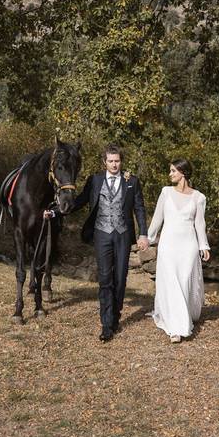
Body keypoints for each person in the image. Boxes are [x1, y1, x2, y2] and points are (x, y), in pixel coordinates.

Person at [65, 144, 149, 341]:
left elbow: (139, 208)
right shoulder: (95, 180)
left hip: (123, 235)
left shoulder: (132, 182)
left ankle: (115, 316)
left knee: (120, 278)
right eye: (110, 161)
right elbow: (80, 201)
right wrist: (56, 210)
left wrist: (143, 233)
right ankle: (106, 324)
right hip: (102, 234)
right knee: (105, 279)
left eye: (117, 161)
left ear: (121, 161)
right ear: (104, 162)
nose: (114, 164)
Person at [146, 158, 210, 343]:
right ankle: (176, 328)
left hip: (188, 246)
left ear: (183, 172)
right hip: (168, 245)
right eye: (171, 171)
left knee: (183, 282)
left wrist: (203, 245)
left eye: (173, 171)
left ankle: (183, 316)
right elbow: (157, 220)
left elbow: (200, 224)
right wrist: (147, 239)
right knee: (172, 283)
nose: (170, 174)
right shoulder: (165, 193)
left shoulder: (199, 197)